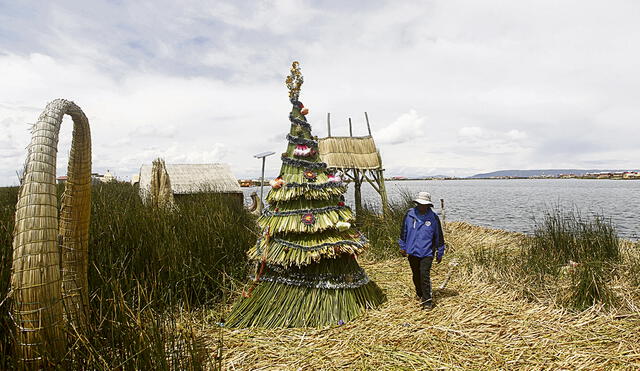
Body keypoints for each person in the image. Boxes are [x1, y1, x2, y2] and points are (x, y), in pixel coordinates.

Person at [398, 192, 446, 310]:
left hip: (427, 252)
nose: (422, 206)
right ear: (417, 203)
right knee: (416, 275)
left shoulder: (433, 218)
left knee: (424, 275)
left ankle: (427, 301)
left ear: (428, 205)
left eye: (424, 204)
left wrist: (440, 252)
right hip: (412, 251)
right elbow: (403, 231)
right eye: (420, 204)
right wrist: (402, 246)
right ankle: (420, 294)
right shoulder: (409, 215)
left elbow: (438, 236)